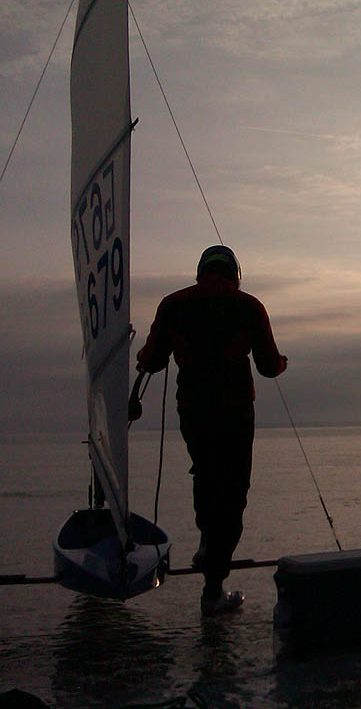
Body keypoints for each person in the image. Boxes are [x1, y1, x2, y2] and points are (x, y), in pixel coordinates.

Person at [136, 245, 287, 615]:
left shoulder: (173, 304)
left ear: (200, 272)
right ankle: (213, 589)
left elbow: (152, 361)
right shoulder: (249, 306)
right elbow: (268, 366)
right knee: (233, 493)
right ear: (235, 274)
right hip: (235, 411)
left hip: (193, 409)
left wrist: (141, 354)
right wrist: (282, 363)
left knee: (205, 473)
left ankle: (206, 540)